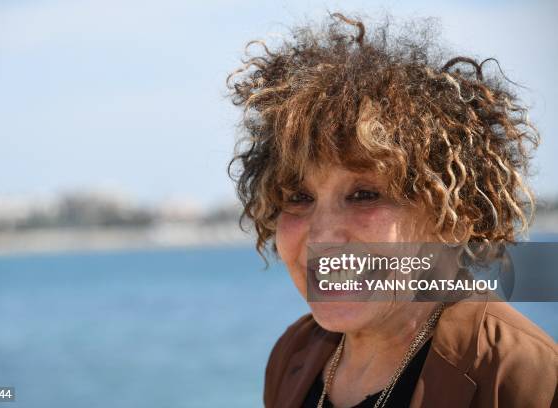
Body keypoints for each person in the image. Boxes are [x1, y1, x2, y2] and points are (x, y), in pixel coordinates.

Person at [227, 12, 557, 408]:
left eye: (364, 195)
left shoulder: (522, 374)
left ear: (453, 215)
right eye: (299, 197)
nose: (322, 234)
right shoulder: (294, 354)